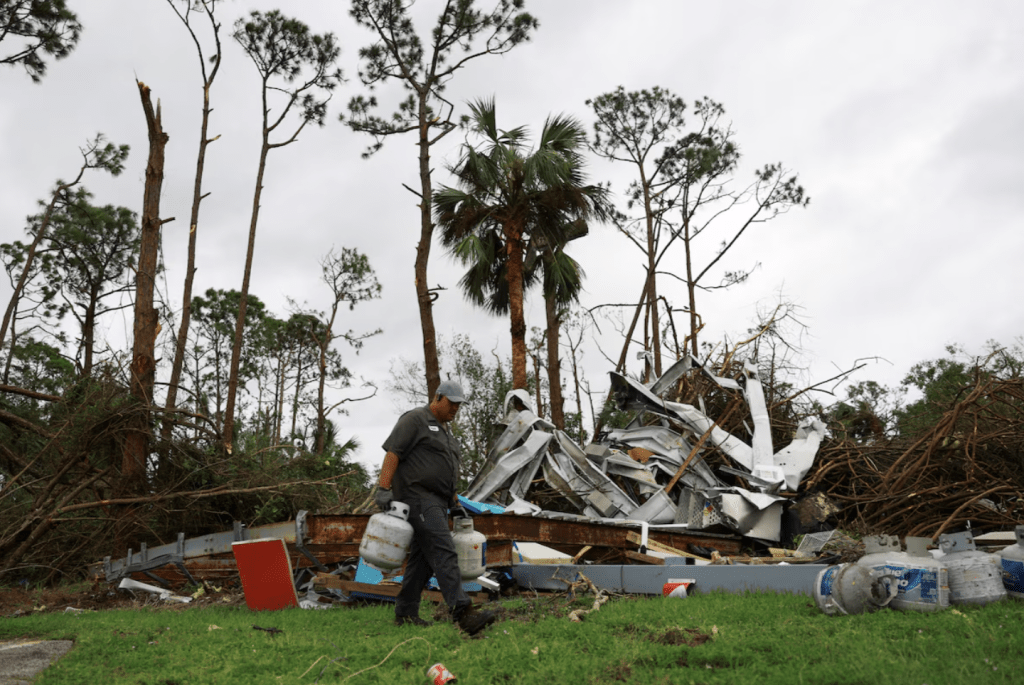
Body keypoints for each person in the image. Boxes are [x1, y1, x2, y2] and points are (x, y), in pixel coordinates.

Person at [374, 380, 497, 635]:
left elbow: (445, 472)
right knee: (444, 550)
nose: (455, 409)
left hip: (439, 502)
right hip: (418, 497)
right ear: (438, 397)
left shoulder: (446, 433)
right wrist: (383, 488)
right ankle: (464, 614)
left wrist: (454, 503)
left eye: (459, 405)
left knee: (422, 561)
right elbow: (393, 453)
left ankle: (406, 612)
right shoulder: (415, 419)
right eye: (452, 404)